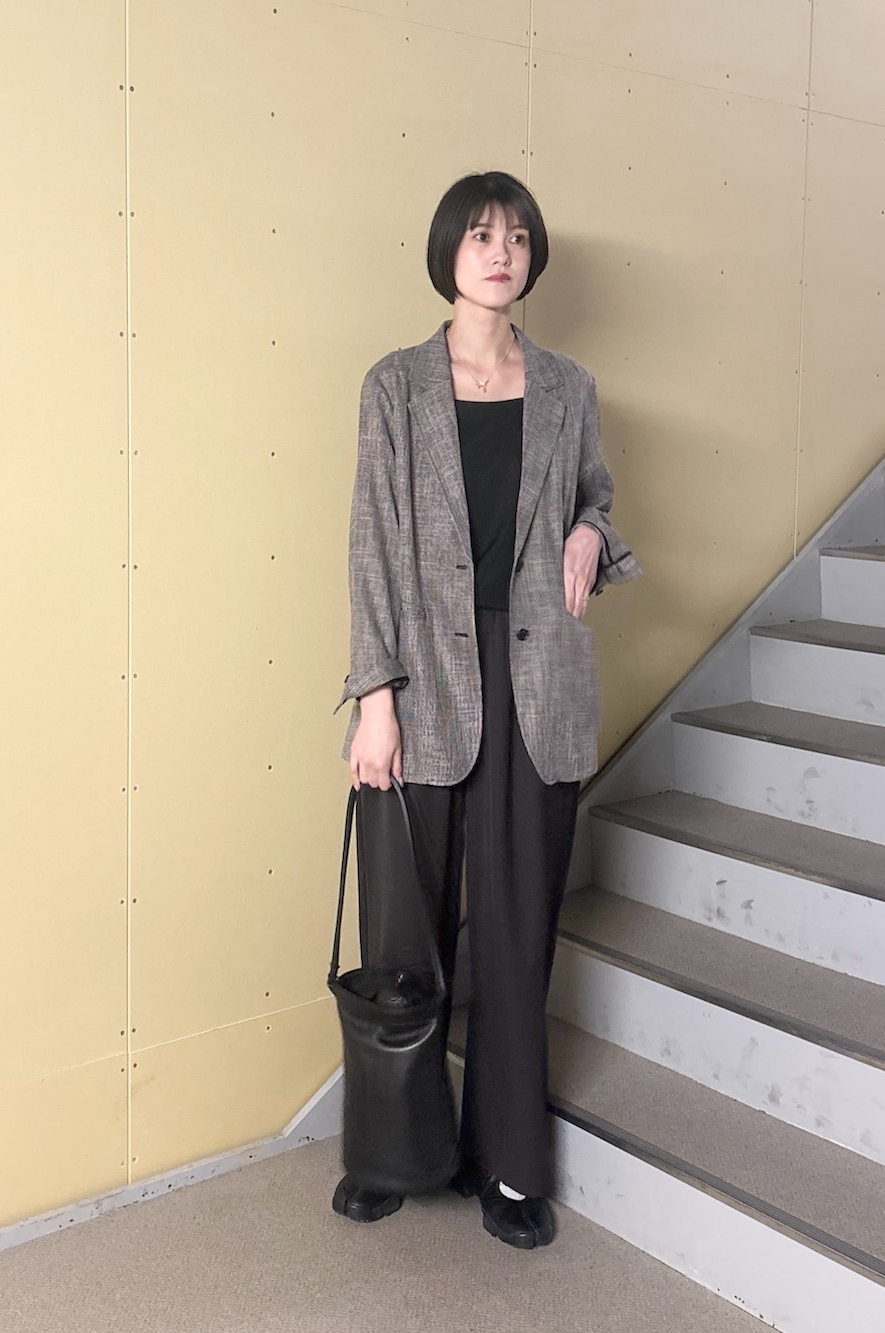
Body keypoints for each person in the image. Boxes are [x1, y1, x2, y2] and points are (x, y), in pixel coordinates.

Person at [334, 170, 641, 1249]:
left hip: (538, 683)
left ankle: (507, 1163)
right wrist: (375, 698)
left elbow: (597, 496)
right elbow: (372, 546)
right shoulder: (395, 386)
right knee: (402, 925)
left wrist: (590, 533)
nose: (500, 251)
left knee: (515, 928)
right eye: (479, 235)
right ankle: (390, 1151)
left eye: (515, 236)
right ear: (448, 254)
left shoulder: (568, 388)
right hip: (421, 679)